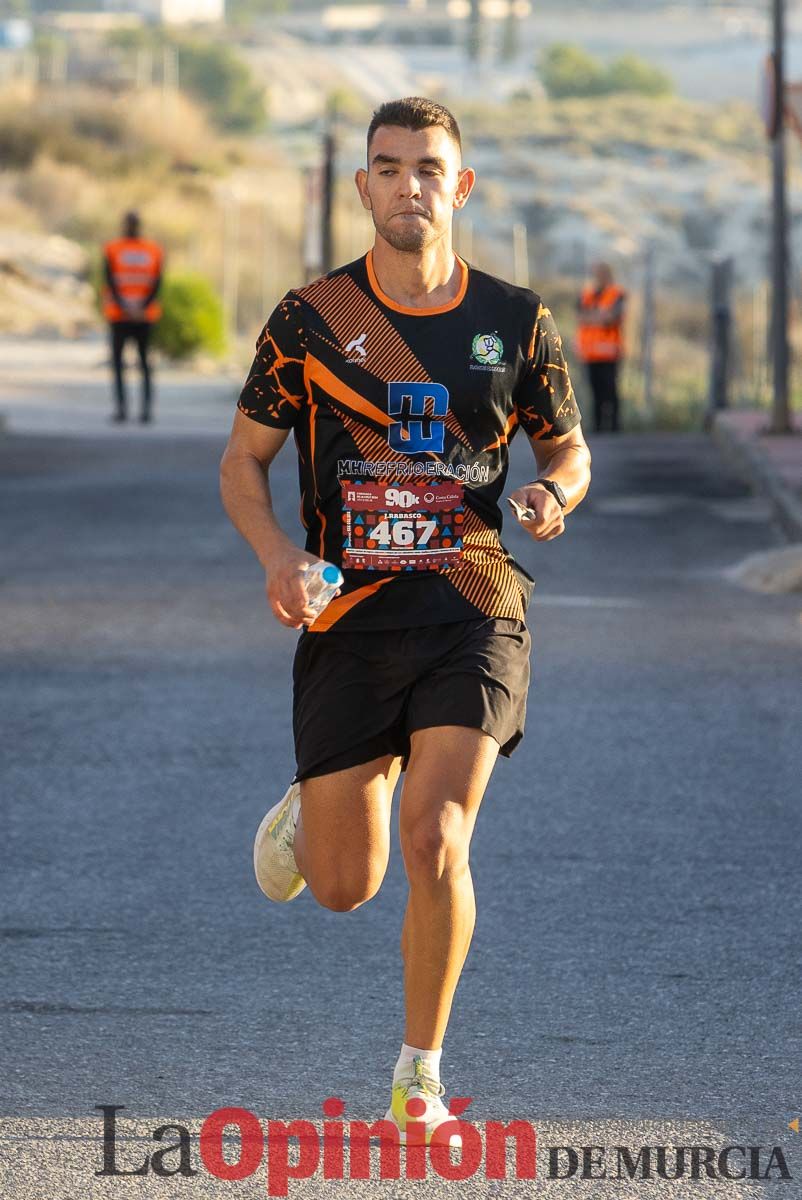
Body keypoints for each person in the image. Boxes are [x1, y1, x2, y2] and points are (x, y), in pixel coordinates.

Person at [219, 97, 591, 1146]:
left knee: (439, 835)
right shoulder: (308, 317)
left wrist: (553, 495)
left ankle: (418, 1076)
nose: (407, 185)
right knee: (343, 888)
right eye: (387, 168)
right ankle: (316, 803)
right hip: (350, 610)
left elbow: (567, 449)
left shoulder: (517, 321)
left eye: (428, 168)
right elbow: (242, 460)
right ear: (363, 186)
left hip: (474, 599)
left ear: (459, 186)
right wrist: (279, 557)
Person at [102, 211, 163, 424]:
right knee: (141, 363)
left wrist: (128, 307)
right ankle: (137, 410)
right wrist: (140, 307)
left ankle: (129, 410)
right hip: (138, 315)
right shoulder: (151, 250)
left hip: (125, 315)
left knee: (127, 363)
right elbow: (156, 283)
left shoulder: (114, 248)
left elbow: (110, 281)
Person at [576, 261, 626, 433]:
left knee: (610, 392)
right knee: (595, 393)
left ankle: (614, 428)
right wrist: (601, 316)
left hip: (609, 353)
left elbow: (612, 318)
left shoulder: (617, 294)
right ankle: (598, 429)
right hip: (590, 353)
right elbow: (581, 317)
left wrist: (594, 317)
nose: (598, 277)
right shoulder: (586, 294)